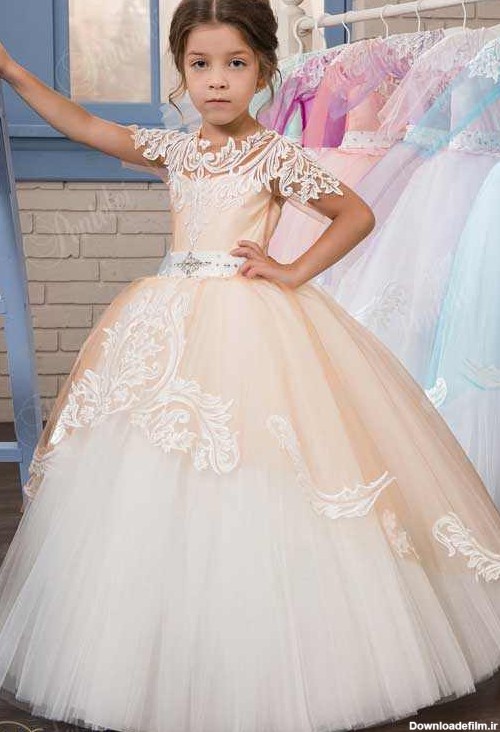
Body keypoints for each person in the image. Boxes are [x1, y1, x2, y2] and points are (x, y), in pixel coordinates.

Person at [0, 2, 499, 731]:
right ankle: (165, 637)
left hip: (247, 323)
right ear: (181, 72)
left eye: (235, 64)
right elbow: (84, 125)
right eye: (200, 65)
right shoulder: (176, 150)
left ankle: (271, 640)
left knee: (256, 469)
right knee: (152, 472)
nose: (217, 81)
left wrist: (292, 270)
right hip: (167, 324)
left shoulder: (273, 155)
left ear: (263, 69)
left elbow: (356, 214)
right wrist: (13, 71)